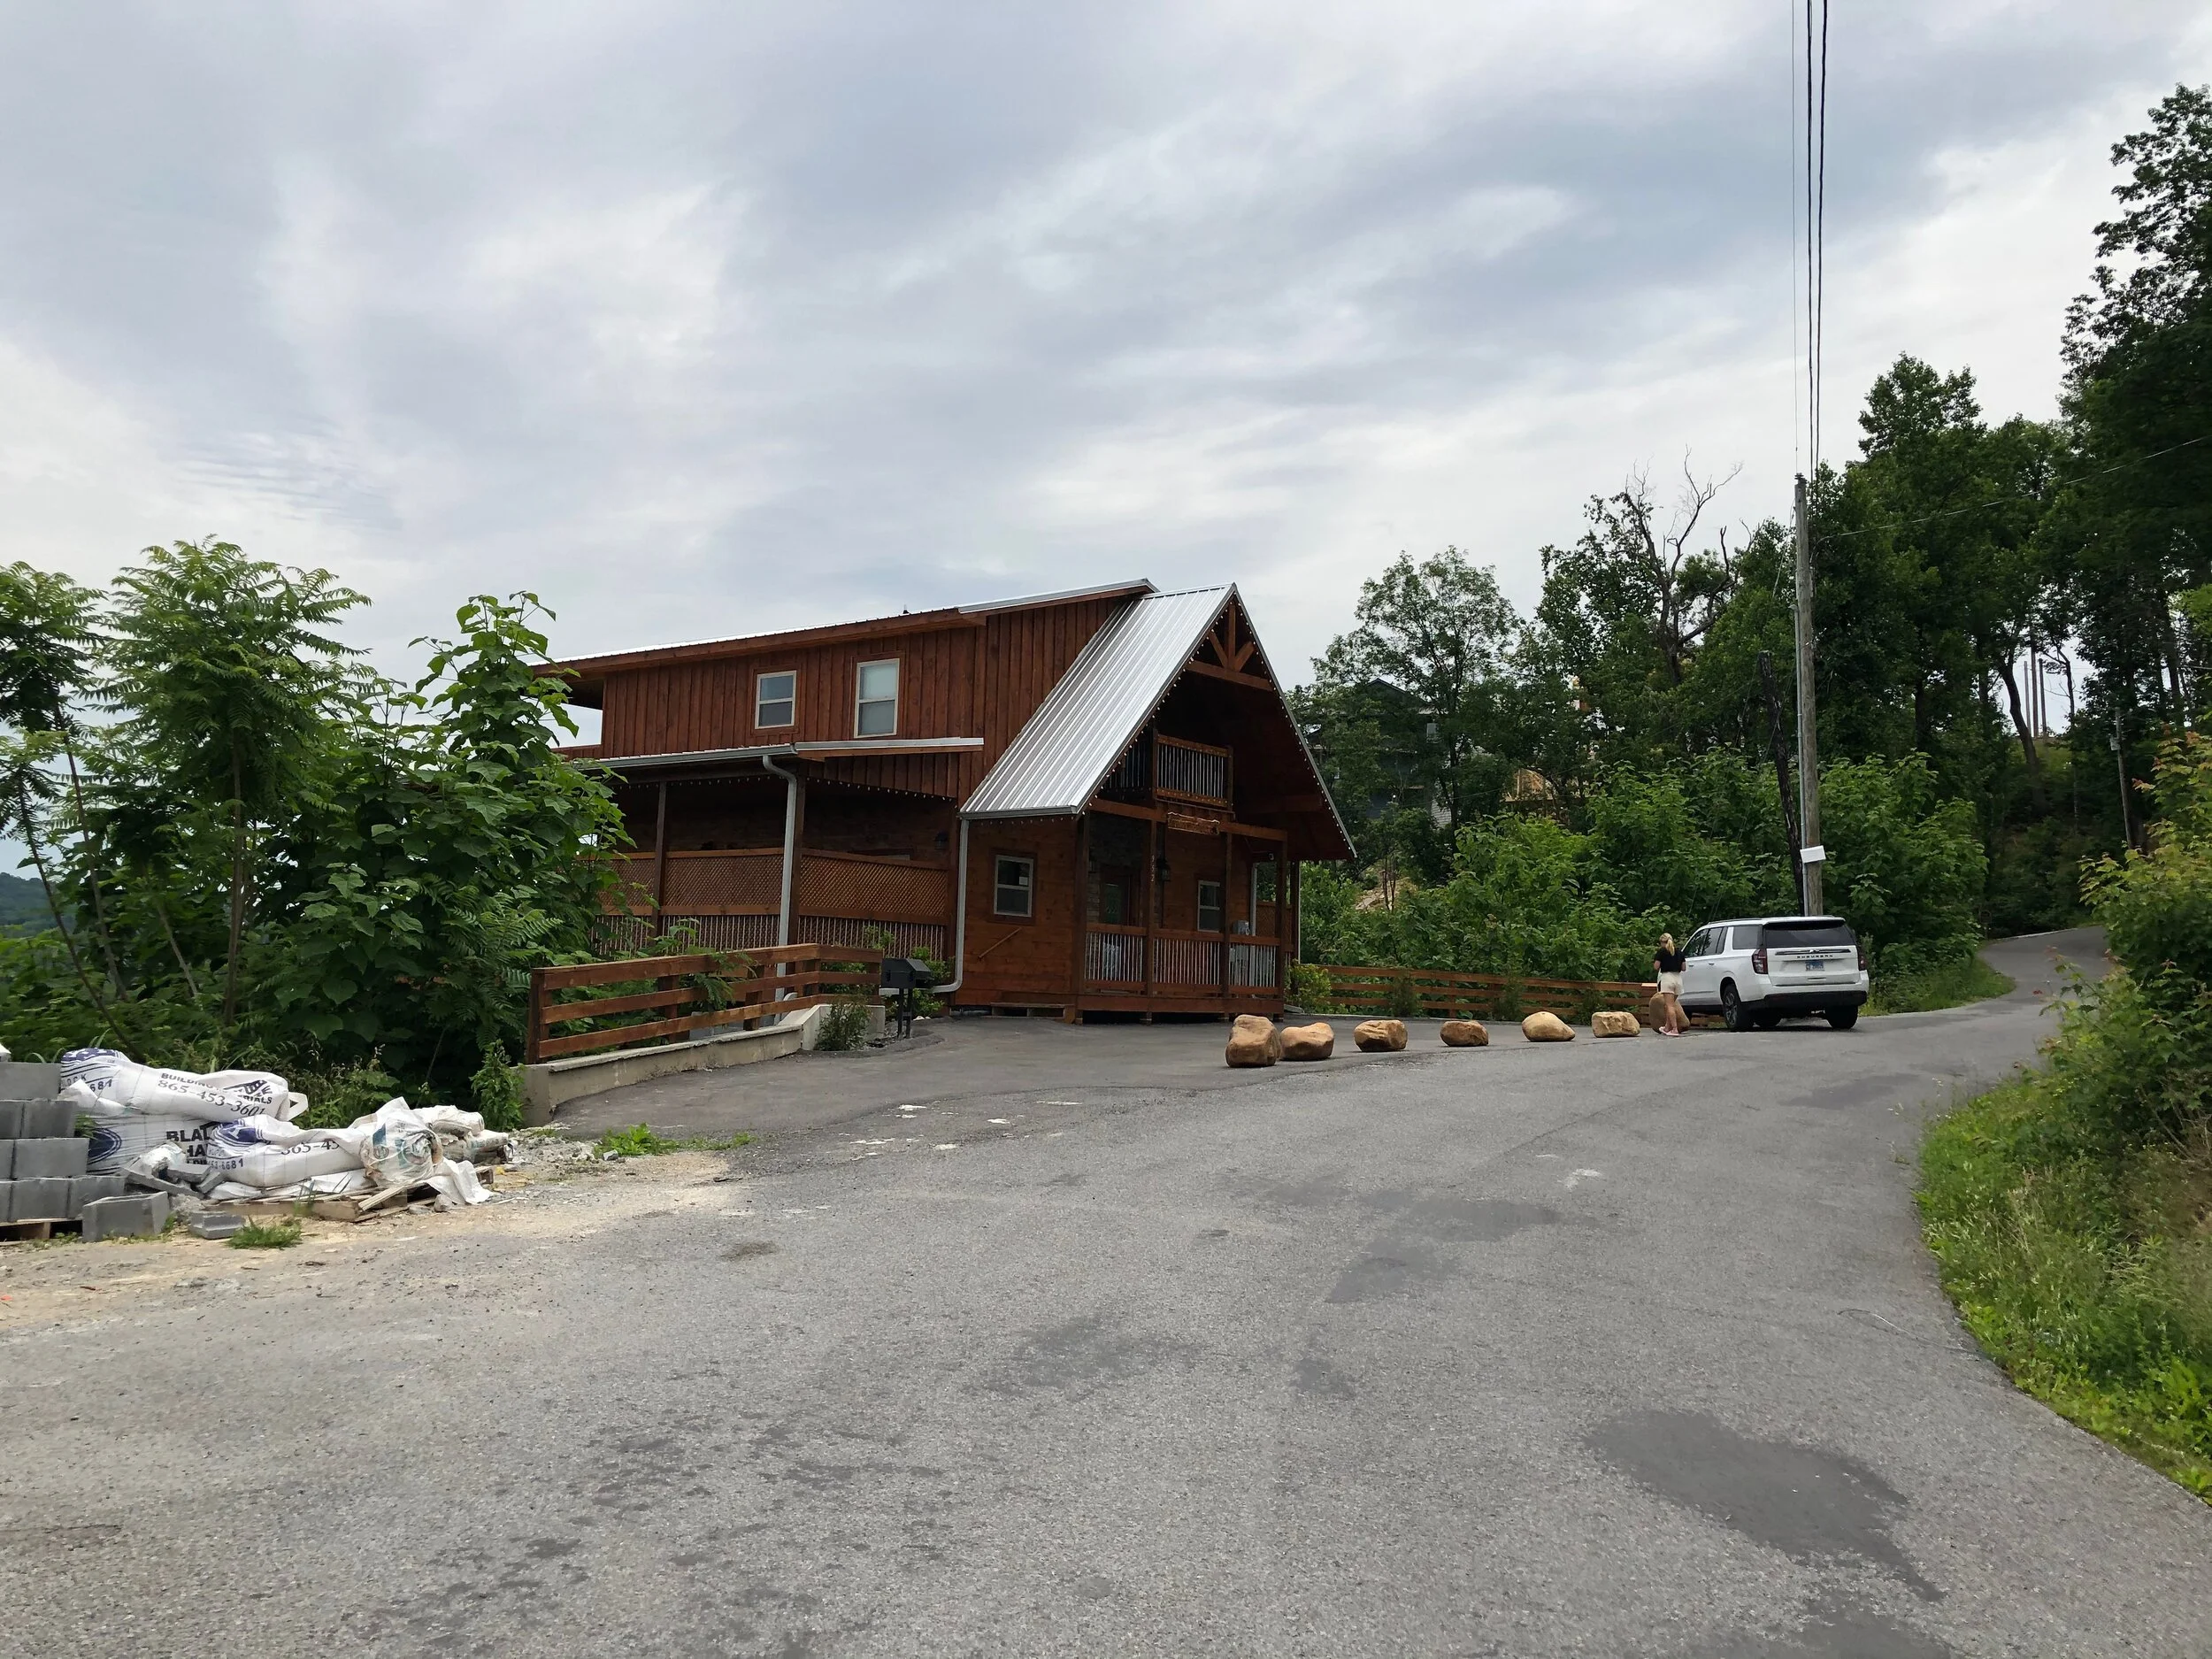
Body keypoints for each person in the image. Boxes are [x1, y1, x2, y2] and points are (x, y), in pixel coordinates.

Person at [1653, 933, 1687, 1036]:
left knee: (1669, 1006)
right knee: (1670, 1005)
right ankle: (1667, 1027)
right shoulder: (1679, 952)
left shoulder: (1662, 951)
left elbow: (1656, 966)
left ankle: (1675, 1029)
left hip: (1667, 978)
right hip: (1678, 979)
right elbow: (1684, 968)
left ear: (1662, 942)